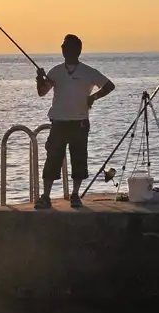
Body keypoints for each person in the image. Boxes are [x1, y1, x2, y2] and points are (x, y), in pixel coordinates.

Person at [33, 34, 115, 209]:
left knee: (78, 159)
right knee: (52, 159)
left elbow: (109, 86)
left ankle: (75, 194)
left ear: (77, 50)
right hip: (59, 122)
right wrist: (40, 78)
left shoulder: (88, 71)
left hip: (80, 122)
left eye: (67, 46)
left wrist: (93, 97)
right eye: (63, 46)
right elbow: (42, 92)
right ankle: (45, 196)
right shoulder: (55, 71)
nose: (64, 49)